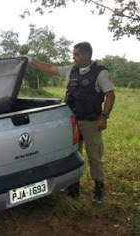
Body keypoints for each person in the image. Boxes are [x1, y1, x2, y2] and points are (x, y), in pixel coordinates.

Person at [29, 42, 115, 205]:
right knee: (73, 154)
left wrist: (104, 117)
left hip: (91, 122)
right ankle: (73, 187)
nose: (73, 57)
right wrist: (31, 60)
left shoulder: (100, 73)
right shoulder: (70, 70)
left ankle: (98, 190)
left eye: (76, 54)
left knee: (94, 156)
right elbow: (49, 68)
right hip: (72, 121)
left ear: (86, 55)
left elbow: (110, 95)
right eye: (73, 54)